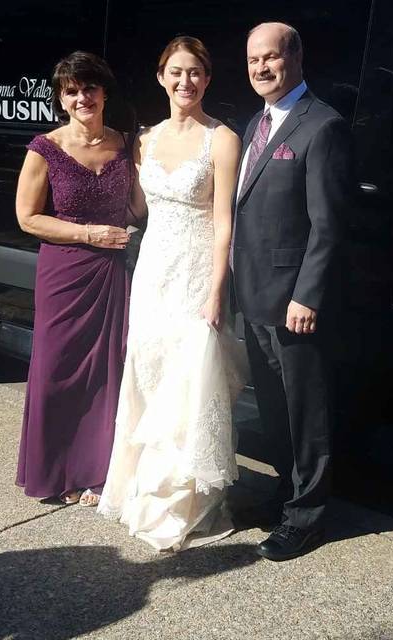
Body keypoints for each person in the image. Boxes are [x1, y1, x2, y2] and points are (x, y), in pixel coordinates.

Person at [98, 36, 247, 551]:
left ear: (207, 80)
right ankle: (141, 489)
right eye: (176, 72)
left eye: (196, 73)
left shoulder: (222, 139)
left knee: (190, 386)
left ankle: (183, 502)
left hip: (194, 277)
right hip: (154, 272)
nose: (186, 82)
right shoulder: (143, 140)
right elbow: (139, 208)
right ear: (161, 76)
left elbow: (226, 224)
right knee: (151, 375)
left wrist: (215, 292)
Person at [232, 23, 351, 561]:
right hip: (253, 296)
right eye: (254, 59)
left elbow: (328, 225)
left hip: (293, 302)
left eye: (271, 58)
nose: (261, 68)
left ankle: (308, 516)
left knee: (306, 413)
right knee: (275, 410)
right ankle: (286, 493)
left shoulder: (321, 126)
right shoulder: (255, 123)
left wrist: (308, 295)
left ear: (296, 58)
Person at [15, 51, 142, 507]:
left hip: (112, 272)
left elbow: (144, 206)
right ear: (61, 100)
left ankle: (98, 471)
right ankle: (57, 469)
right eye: (72, 91)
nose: (82, 97)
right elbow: (27, 218)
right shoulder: (44, 148)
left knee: (108, 372)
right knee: (56, 371)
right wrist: (87, 232)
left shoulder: (129, 144)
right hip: (65, 272)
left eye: (89, 87)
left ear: (105, 92)